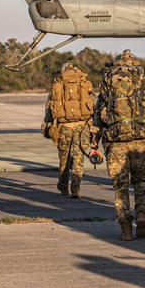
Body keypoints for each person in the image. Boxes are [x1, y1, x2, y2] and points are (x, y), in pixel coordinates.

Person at [90, 50, 145, 241]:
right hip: (140, 142)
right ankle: (141, 214)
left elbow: (98, 117)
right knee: (141, 183)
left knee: (120, 188)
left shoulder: (108, 84)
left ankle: (125, 229)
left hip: (115, 144)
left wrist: (93, 145)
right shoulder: (143, 84)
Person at [41, 62, 94, 199]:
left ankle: (63, 186)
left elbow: (50, 108)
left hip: (64, 127)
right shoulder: (84, 83)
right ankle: (76, 187)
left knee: (64, 158)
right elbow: (93, 104)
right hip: (82, 127)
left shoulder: (57, 85)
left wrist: (46, 126)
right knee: (79, 157)